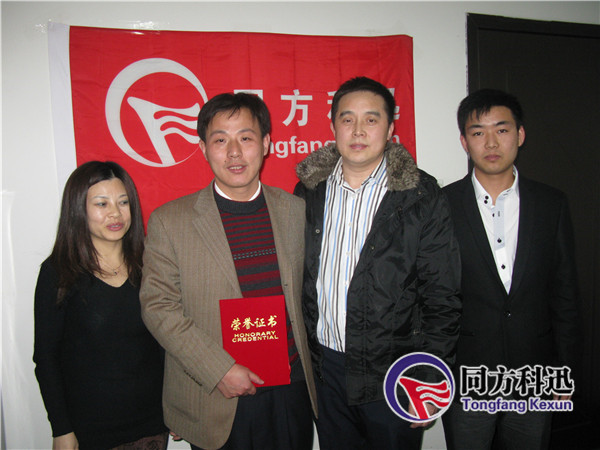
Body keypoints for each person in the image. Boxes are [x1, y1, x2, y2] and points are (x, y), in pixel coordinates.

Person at [139, 92, 317, 450]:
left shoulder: (296, 211)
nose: (234, 152)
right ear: (204, 148)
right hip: (217, 395)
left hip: (290, 390)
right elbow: (158, 307)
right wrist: (218, 369)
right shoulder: (170, 221)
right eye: (220, 140)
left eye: (246, 138)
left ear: (265, 144)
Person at [294, 76, 461, 449]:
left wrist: (429, 380)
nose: (358, 131)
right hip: (326, 372)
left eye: (371, 119)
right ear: (333, 126)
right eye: (347, 119)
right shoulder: (309, 191)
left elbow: (442, 297)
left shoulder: (420, 196)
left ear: (389, 129)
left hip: (395, 373)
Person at [441, 89, 581, 450]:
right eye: (478, 132)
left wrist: (564, 371)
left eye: (501, 130)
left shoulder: (551, 204)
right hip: (466, 374)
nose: (491, 142)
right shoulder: (441, 205)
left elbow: (564, 294)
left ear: (519, 135)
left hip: (535, 372)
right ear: (464, 141)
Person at [33, 161, 168, 450]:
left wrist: (175, 409)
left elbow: (164, 348)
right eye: (101, 203)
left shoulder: (151, 265)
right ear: (78, 209)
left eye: (123, 202)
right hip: (90, 430)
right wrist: (61, 429)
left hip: (150, 426)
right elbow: (46, 358)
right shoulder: (59, 272)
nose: (115, 213)